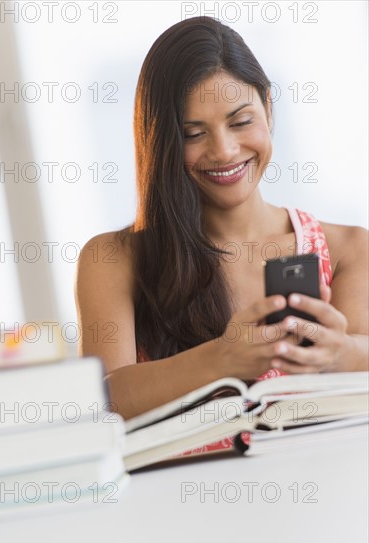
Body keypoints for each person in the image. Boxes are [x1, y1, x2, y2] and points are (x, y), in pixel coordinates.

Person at [75, 17, 368, 430]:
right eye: (193, 133)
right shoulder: (111, 259)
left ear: (268, 107)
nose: (225, 150)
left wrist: (339, 353)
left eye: (241, 121)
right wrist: (222, 358)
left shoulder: (347, 250)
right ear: (162, 142)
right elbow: (105, 400)